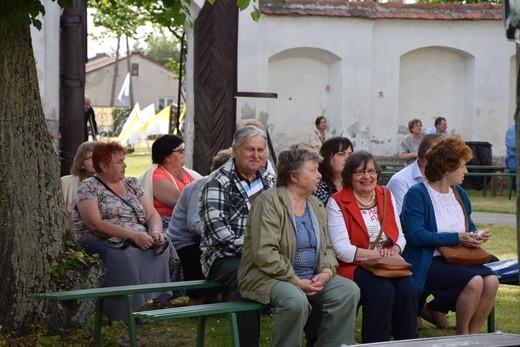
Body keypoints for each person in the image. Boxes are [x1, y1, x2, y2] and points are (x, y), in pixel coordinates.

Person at [238, 144, 360, 347]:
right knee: (295, 301)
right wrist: (295, 280)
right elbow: (265, 252)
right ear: (294, 176)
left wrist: (328, 272)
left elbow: (327, 247)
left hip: (311, 275)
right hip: (267, 276)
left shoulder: (315, 204)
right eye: (313, 171)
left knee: (347, 291)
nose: (319, 176)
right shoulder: (269, 202)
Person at [401, 136, 499, 335]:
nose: (466, 171)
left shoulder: (459, 193)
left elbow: (467, 225)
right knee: (475, 281)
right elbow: (416, 235)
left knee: (492, 281)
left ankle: (474, 334)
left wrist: (475, 235)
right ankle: (462, 335)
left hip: (458, 259)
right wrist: (457, 238)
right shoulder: (417, 193)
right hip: (428, 261)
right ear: (447, 168)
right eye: (463, 166)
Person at [72, 141, 170, 322]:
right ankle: (127, 311)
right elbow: (94, 224)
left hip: (137, 236)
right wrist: (134, 236)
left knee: (163, 245)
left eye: (124, 161)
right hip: (100, 240)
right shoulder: (88, 186)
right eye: (119, 162)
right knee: (125, 255)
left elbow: (151, 214)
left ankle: (148, 300)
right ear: (103, 165)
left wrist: (156, 231)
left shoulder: (132, 183)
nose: (125, 165)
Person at [327, 150, 418, 343]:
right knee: (382, 291)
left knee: (408, 289)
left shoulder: (386, 194)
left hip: (387, 262)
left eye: (371, 171)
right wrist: (377, 255)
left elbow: (400, 236)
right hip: (354, 265)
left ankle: (407, 342)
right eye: (359, 172)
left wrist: (395, 250)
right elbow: (342, 250)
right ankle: (375, 343)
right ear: (349, 176)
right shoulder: (337, 202)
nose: (367, 177)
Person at [199, 126, 276, 347]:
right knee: (246, 274)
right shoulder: (217, 181)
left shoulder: (269, 181)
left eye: (260, 150)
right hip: (223, 257)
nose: (256, 155)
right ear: (235, 150)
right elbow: (217, 233)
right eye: (249, 149)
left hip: (265, 252)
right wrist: (257, 251)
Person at [388, 134, 455, 330]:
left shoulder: (448, 180)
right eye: (444, 154)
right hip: (411, 244)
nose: (449, 159)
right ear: (429, 155)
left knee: (488, 266)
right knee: (433, 263)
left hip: (437, 243)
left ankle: (433, 307)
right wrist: (449, 237)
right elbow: (404, 227)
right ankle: (417, 309)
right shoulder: (401, 181)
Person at [166, 148, 233, 306]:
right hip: (184, 242)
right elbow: (193, 224)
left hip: (205, 239)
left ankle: (227, 301)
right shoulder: (204, 185)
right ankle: (196, 303)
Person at [140, 134, 202, 229]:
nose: (184, 153)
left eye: (184, 150)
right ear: (167, 157)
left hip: (189, 219)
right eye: (180, 151)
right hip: (167, 224)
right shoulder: (157, 177)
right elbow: (182, 201)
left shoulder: (188, 173)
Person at [388, 134, 443, 214]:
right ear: (430, 156)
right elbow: (400, 222)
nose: (449, 162)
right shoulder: (400, 181)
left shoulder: (445, 178)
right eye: (445, 156)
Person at [313, 136, 354, 205]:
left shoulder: (357, 182)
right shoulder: (318, 187)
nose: (347, 158)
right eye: (341, 154)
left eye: (350, 154)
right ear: (327, 158)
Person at [61, 141, 97, 214]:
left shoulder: (116, 183)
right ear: (81, 163)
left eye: (100, 157)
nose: (97, 161)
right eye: (92, 158)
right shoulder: (66, 182)